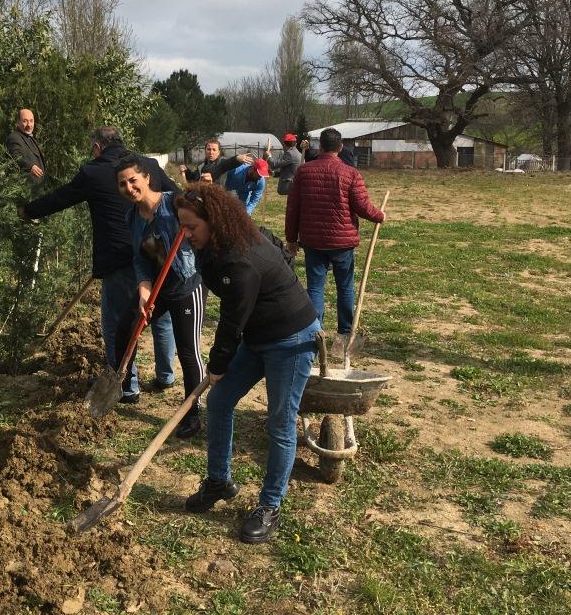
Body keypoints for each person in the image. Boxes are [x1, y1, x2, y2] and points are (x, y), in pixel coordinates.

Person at [174, 182, 320, 544]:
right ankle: (219, 481)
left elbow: (231, 320)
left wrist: (219, 362)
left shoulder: (239, 261)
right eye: (182, 225)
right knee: (220, 401)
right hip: (259, 336)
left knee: (280, 422)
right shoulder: (218, 243)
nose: (185, 233)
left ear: (214, 221)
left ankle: (270, 505)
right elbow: (270, 240)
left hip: (291, 340)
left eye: (191, 226)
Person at [21, 127, 176, 400]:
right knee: (160, 313)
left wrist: (28, 211)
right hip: (155, 251)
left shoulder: (92, 172)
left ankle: (127, 386)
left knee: (117, 322)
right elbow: (176, 195)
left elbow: (60, 198)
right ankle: (166, 376)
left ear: (96, 148)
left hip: (117, 257)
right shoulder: (147, 165)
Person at [114, 155, 205, 436]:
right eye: (122, 184)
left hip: (186, 284)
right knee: (125, 327)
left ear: (147, 179)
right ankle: (122, 383)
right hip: (158, 287)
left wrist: (203, 190)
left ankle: (192, 412)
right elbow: (140, 259)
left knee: (188, 351)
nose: (129, 188)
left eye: (133, 180)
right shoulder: (132, 217)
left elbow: (204, 216)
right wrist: (143, 289)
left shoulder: (174, 203)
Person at [285, 127, 385, 335]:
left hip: (313, 240)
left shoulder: (303, 172)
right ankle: (345, 332)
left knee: (315, 288)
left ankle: (315, 332)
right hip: (342, 242)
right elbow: (362, 206)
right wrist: (379, 215)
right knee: (345, 288)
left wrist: (291, 239)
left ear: (319, 146)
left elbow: (292, 208)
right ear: (340, 148)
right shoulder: (350, 173)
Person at [5, 108, 47, 184]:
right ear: (18, 122)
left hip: (38, 188)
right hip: (27, 190)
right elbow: (16, 157)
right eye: (25, 121)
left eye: (31, 121)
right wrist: (30, 166)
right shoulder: (14, 138)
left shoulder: (28, 137)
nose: (29, 125)